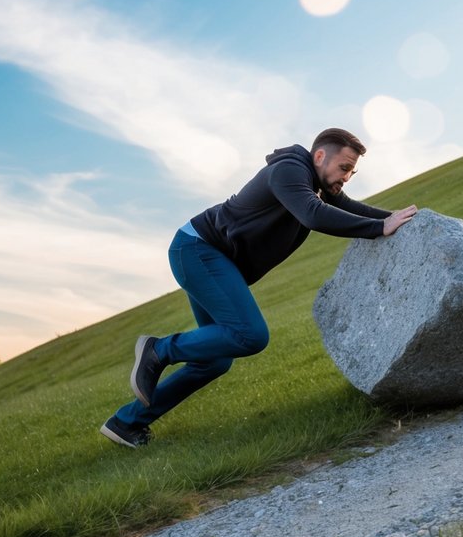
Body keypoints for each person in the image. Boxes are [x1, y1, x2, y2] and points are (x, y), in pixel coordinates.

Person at [101, 128, 418, 448]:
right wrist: (378, 227)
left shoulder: (313, 182)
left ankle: (126, 423)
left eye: (352, 171)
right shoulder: (290, 170)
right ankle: (159, 350)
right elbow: (313, 215)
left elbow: (347, 205)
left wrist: (393, 218)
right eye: (344, 167)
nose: (347, 176)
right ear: (320, 156)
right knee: (250, 335)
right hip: (197, 250)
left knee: (214, 358)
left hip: (207, 256)